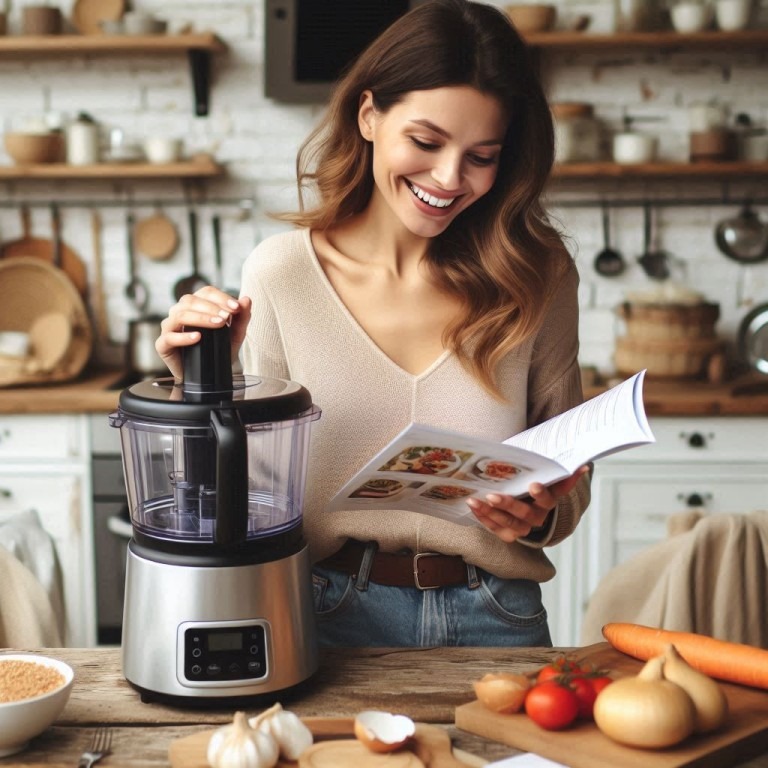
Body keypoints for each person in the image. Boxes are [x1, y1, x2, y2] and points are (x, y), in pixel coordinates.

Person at [156, 0, 591, 648]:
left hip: (498, 617)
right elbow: (248, 500)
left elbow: (569, 484)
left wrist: (536, 515)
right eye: (426, 141)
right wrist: (202, 391)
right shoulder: (282, 274)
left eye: (483, 155)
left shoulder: (538, 275)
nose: (449, 178)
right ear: (368, 116)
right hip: (327, 614)